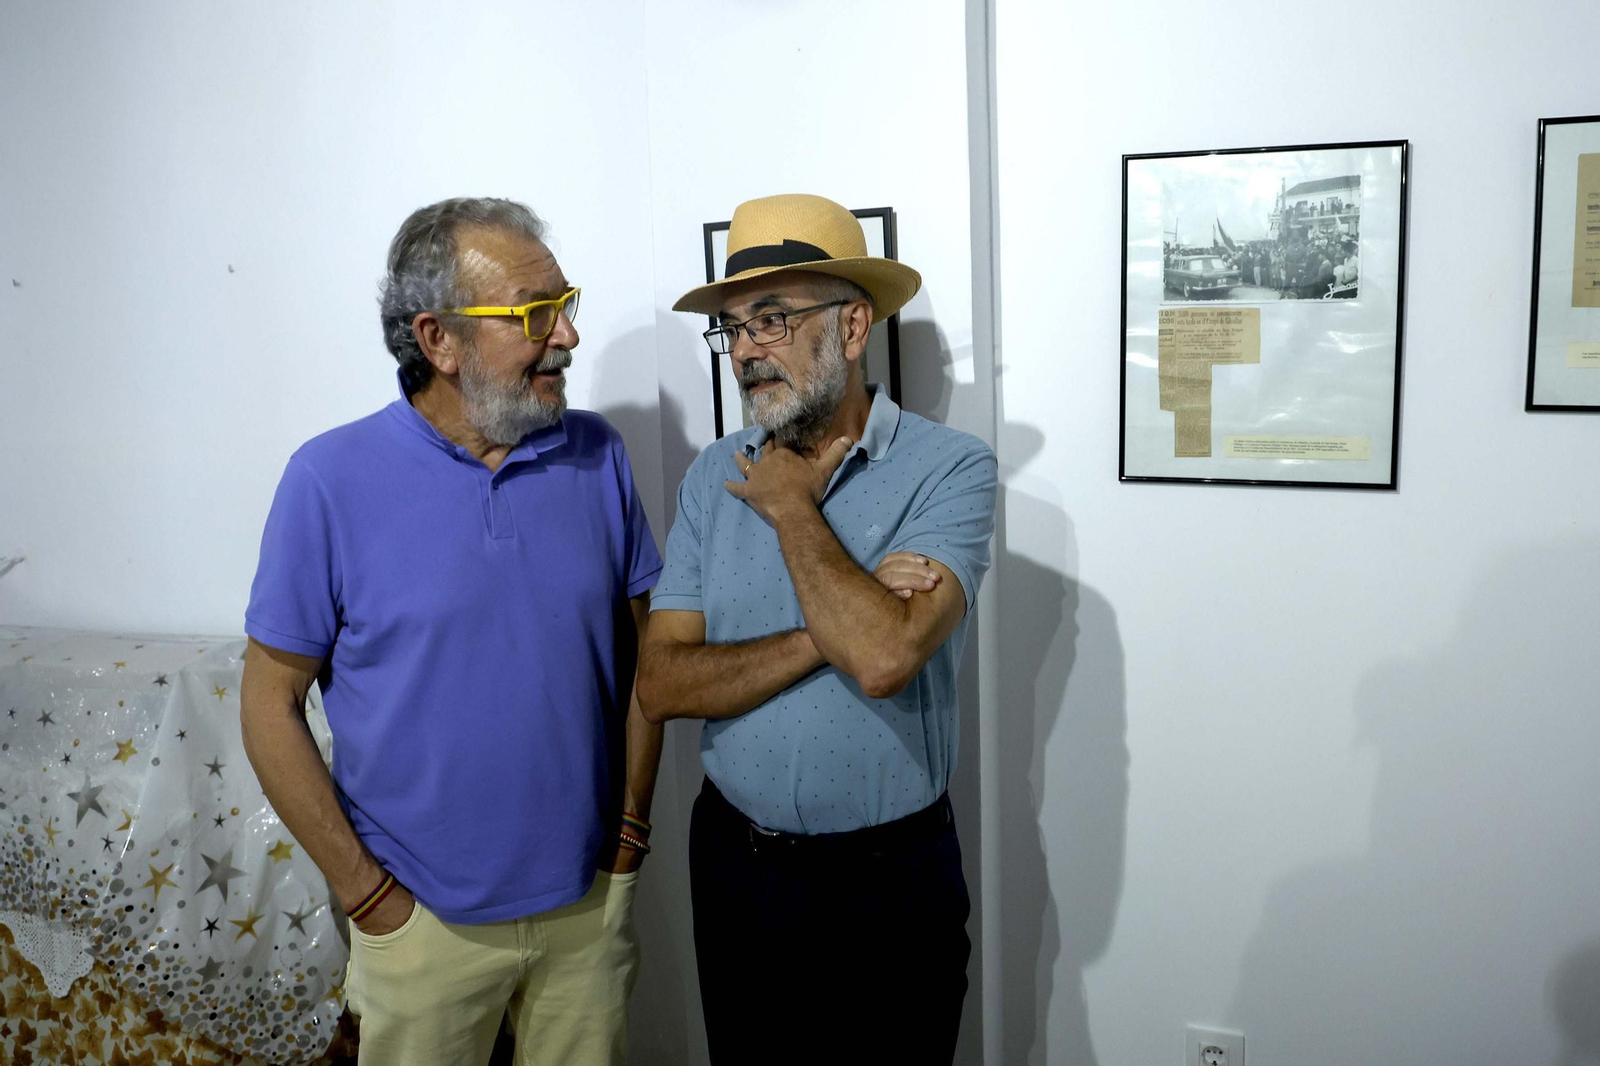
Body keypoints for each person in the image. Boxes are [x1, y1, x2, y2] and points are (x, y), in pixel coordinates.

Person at [241, 197, 663, 1066]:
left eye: (566, 303)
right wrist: (370, 900)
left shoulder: (598, 456)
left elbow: (646, 666)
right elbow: (267, 704)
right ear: (437, 339)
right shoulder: (328, 479)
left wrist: (629, 835)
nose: (567, 338)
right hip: (421, 922)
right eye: (534, 315)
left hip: (586, 908)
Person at [636, 193, 997, 1064]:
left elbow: (881, 658)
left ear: (850, 328)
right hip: (735, 871)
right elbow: (662, 684)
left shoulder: (950, 469)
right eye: (733, 328)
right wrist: (835, 619)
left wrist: (795, 509)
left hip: (889, 885)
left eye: (772, 318)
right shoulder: (714, 477)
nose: (747, 350)